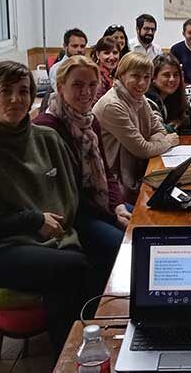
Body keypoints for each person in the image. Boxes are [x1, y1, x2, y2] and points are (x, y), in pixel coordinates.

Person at [0, 61, 90, 353]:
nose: (15, 99)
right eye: (5, 91)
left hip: (55, 237)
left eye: (23, 91)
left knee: (100, 262)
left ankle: (71, 357)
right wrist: (32, 220)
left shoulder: (48, 140)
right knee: (76, 269)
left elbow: (71, 195)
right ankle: (73, 355)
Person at [34, 56, 129, 297]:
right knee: (121, 243)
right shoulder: (47, 128)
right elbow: (66, 193)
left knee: (144, 219)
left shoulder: (90, 120)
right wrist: (110, 214)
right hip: (71, 215)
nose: (86, 92)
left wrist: (117, 205)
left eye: (91, 85)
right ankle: (104, 306)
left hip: (98, 205)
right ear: (60, 86)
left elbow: (107, 172)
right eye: (77, 85)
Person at [93, 53, 180, 203]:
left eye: (146, 77)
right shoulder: (112, 105)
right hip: (113, 186)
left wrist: (152, 142)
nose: (142, 83)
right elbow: (143, 150)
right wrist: (168, 142)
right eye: (136, 76)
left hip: (136, 172)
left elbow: (159, 130)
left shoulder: (139, 97)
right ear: (121, 74)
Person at [146, 54, 191, 133]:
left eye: (176, 75)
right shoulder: (148, 98)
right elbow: (160, 130)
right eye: (166, 75)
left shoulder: (175, 94)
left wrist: (180, 121)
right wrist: (175, 125)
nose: (172, 79)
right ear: (154, 78)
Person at [90, 36, 119, 103]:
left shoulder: (112, 74)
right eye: (107, 53)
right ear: (97, 54)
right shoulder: (96, 76)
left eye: (115, 53)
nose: (112, 57)